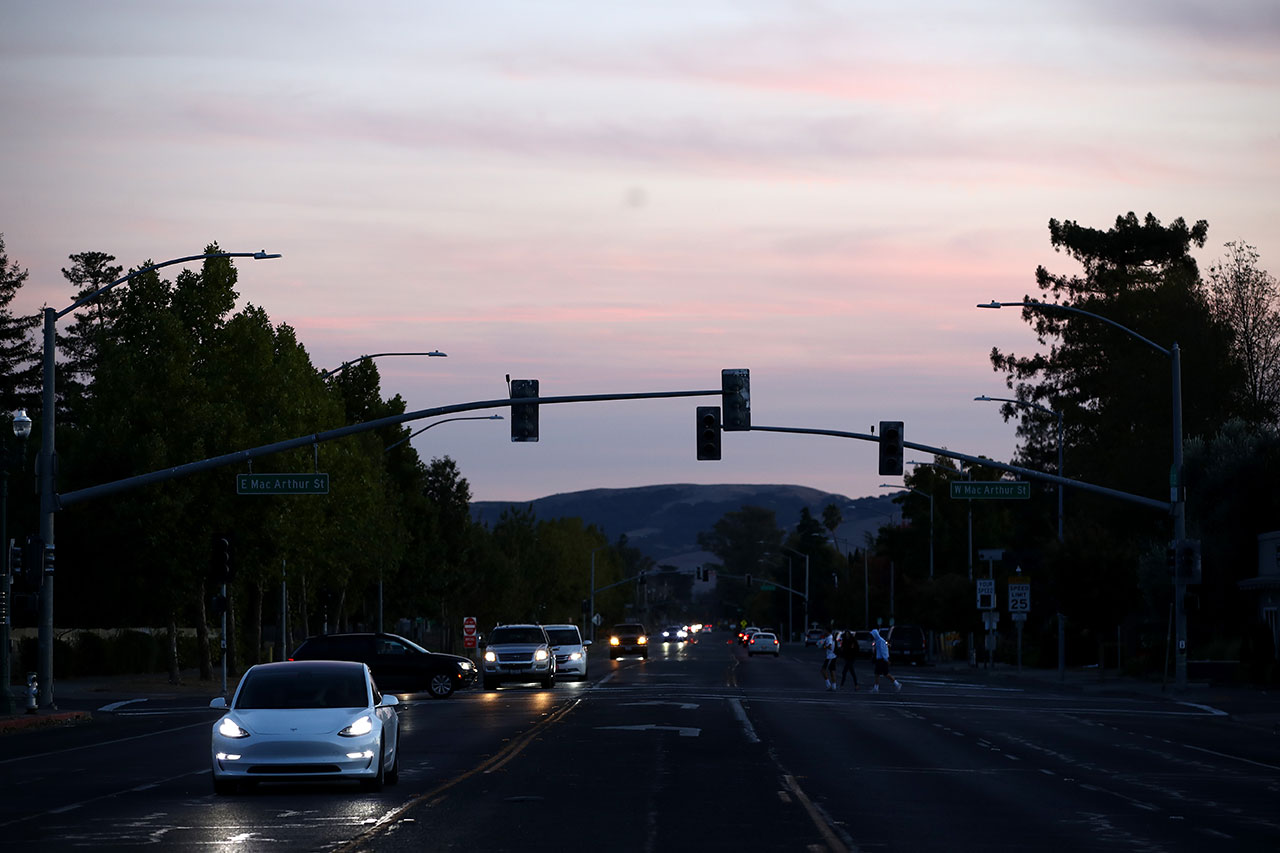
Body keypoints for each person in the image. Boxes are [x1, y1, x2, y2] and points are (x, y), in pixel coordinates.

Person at [869, 628, 902, 693]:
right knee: (880, 674)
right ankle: (877, 688)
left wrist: (886, 659)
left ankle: (897, 684)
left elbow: (883, 651)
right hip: (880, 660)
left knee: (883, 674)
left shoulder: (881, 641)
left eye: (872, 635)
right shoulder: (878, 641)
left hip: (882, 660)